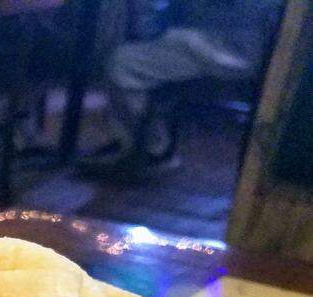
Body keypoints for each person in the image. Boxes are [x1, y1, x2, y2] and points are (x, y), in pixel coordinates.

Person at [82, 0, 284, 178]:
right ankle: (141, 143)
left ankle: (150, 148)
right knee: (130, 52)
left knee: (123, 63)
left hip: (230, 47)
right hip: (229, 42)